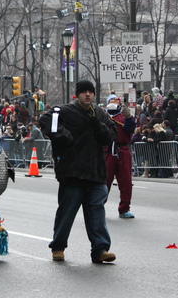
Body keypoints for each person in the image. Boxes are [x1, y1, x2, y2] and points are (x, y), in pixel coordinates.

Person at [39, 80, 117, 263]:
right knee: (67, 212)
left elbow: (111, 135)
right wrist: (64, 136)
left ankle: (100, 249)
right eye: (84, 92)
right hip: (73, 172)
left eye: (90, 92)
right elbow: (46, 121)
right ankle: (58, 247)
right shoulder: (65, 110)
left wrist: (98, 125)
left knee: (96, 213)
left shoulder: (99, 113)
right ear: (77, 94)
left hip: (96, 172)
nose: (88, 95)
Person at [104, 94, 136, 219]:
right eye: (111, 99)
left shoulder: (124, 116)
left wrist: (128, 117)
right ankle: (98, 207)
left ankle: (124, 208)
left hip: (122, 150)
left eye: (116, 99)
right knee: (104, 181)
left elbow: (130, 129)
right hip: (107, 151)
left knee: (126, 182)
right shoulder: (103, 116)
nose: (114, 101)